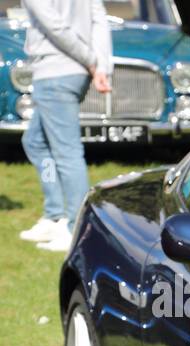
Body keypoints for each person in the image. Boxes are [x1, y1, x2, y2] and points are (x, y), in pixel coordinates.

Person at [19, 0, 112, 254]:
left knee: (66, 152)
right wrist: (99, 65)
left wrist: (94, 62)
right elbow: (99, 21)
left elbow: (54, 25)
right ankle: (55, 215)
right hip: (73, 71)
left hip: (55, 71)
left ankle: (76, 227)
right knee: (35, 142)